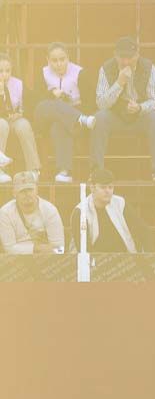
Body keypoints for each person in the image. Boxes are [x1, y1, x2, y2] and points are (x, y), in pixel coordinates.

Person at [92, 36, 155, 182]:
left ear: (137, 54)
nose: (126, 62)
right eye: (122, 57)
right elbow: (101, 103)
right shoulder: (106, 68)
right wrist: (119, 83)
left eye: (130, 57)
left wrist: (140, 108)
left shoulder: (149, 67)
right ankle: (96, 172)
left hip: (139, 117)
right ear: (115, 55)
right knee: (99, 117)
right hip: (115, 116)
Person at [31, 42, 96, 185]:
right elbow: (35, 100)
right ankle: (80, 119)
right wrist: (52, 94)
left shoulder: (80, 73)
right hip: (45, 118)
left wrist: (70, 106)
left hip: (69, 121)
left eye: (62, 59)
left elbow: (90, 103)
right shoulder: (42, 73)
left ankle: (64, 171)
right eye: (54, 61)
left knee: (59, 125)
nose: (59, 64)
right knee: (44, 105)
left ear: (68, 58)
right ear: (47, 60)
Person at [66, 168, 145, 253]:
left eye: (110, 187)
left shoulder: (120, 203)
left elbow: (142, 229)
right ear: (92, 188)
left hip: (122, 258)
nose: (107, 191)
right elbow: (83, 248)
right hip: (92, 260)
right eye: (103, 187)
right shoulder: (80, 211)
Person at [0, 171, 64, 254]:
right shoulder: (5, 213)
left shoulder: (50, 210)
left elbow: (60, 249)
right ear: (14, 193)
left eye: (30, 189)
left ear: (37, 190)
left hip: (45, 260)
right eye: (22, 191)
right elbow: (9, 249)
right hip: (17, 261)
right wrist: (37, 248)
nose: (27, 194)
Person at [0, 54, 40, 184]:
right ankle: (0, 169)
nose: (4, 74)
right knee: (2, 124)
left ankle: (33, 169)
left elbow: (30, 105)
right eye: (0, 71)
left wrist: (21, 114)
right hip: (1, 121)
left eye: (8, 71)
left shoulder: (18, 84)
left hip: (14, 119)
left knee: (23, 125)